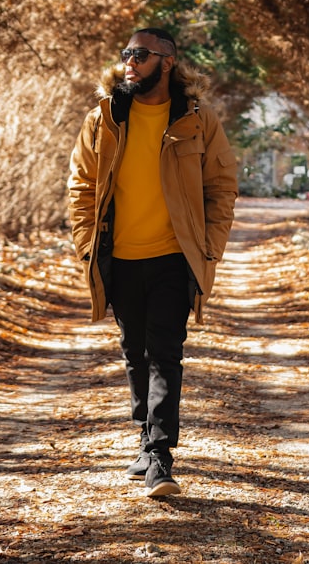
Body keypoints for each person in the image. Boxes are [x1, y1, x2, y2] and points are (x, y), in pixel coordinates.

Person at [67, 28, 239, 497]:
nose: (129, 62)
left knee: (164, 352)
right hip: (119, 257)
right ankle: (144, 440)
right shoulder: (103, 118)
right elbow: (81, 186)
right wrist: (87, 246)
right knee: (133, 354)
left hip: (172, 255)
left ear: (166, 62)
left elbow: (221, 187)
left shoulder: (196, 120)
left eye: (140, 54)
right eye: (126, 54)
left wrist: (209, 249)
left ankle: (161, 455)